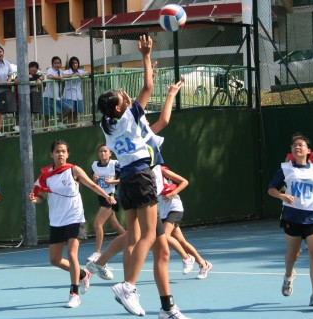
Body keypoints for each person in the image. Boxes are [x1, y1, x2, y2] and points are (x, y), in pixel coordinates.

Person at [96, 34, 189, 318]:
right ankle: (128, 287)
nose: (125, 97)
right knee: (147, 236)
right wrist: (146, 56)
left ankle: (167, 308)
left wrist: (124, 99)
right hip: (141, 176)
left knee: (158, 248)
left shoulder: (108, 126)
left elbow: (153, 117)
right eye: (120, 98)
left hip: (127, 180)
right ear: (118, 107)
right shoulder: (128, 117)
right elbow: (148, 86)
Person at [28, 140, 116, 308]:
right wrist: (35, 199)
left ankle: (74, 293)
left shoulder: (74, 170)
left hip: (74, 218)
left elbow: (91, 185)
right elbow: (40, 196)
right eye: (57, 151)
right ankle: (83, 275)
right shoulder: (45, 176)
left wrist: (107, 196)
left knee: (72, 255)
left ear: (67, 154)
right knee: (54, 259)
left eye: (63, 151)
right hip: (56, 220)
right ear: (51, 154)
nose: (60, 154)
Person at [268, 133, 313, 307]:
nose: (297, 147)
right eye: (294, 145)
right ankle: (289, 275)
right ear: (291, 150)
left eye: (301, 145)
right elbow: (271, 189)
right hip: (292, 217)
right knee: (294, 255)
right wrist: (282, 195)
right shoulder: (285, 169)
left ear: (308, 150)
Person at [158, 165, 213, 279]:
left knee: (164, 236)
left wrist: (172, 193)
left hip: (174, 208)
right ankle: (204, 264)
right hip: (162, 211)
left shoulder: (161, 170)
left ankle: (186, 258)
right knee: (181, 241)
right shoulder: (144, 175)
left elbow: (184, 181)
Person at [87, 144, 125, 263]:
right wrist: (95, 179)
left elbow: (125, 177)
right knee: (115, 225)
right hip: (102, 197)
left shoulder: (115, 164)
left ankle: (97, 253)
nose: (103, 153)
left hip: (112, 197)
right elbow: (94, 183)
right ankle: (133, 241)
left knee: (97, 224)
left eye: (105, 151)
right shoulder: (94, 166)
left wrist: (113, 181)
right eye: (100, 151)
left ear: (110, 153)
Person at [13, 61, 45, 132]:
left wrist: (39, 79)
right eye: (32, 67)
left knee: (29, 113)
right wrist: (26, 76)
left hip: (32, 98)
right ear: (28, 68)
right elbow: (15, 81)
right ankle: (18, 126)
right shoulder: (22, 74)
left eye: (36, 68)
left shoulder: (36, 76)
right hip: (21, 98)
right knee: (20, 113)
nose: (34, 69)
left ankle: (29, 128)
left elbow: (42, 77)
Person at [42, 56, 71, 130]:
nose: (57, 65)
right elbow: (50, 76)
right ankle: (44, 132)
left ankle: (59, 121)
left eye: (59, 63)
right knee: (46, 116)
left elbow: (65, 75)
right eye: (55, 63)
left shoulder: (60, 71)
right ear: (52, 64)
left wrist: (75, 74)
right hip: (48, 96)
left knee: (69, 108)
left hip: (57, 97)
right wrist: (60, 78)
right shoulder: (50, 70)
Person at [62, 56, 90, 126]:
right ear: (71, 64)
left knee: (75, 114)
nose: (75, 64)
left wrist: (82, 74)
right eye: (73, 63)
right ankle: (68, 128)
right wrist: (75, 75)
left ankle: (74, 127)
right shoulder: (67, 71)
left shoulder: (80, 71)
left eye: (76, 63)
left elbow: (89, 72)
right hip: (69, 95)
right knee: (70, 114)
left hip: (78, 96)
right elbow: (63, 75)